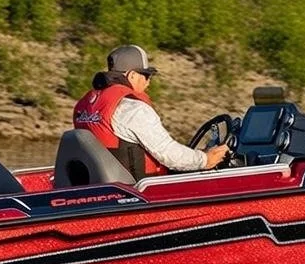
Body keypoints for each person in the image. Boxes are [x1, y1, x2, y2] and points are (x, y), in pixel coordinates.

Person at [73, 45, 229, 178]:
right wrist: (205, 159)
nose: (148, 82)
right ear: (132, 75)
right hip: (138, 193)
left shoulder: (85, 106)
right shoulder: (132, 109)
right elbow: (168, 153)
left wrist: (197, 156)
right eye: (146, 75)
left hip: (101, 189)